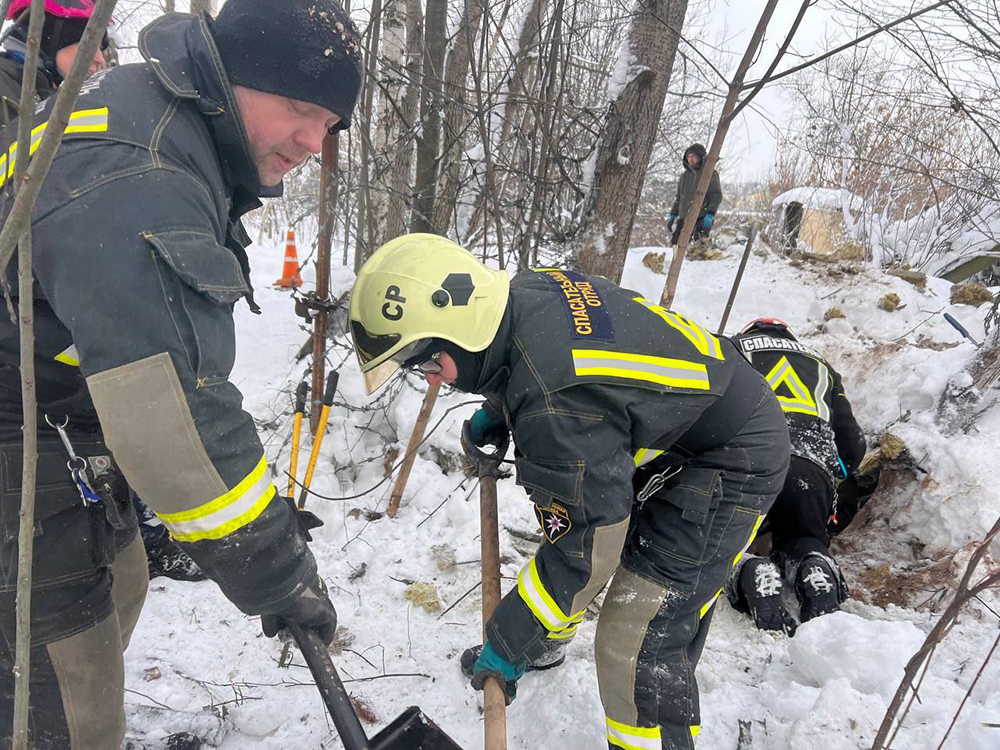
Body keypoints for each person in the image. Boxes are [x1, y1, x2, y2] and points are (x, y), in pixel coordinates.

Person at [0, 0, 362, 747]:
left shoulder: (159, 116)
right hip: (18, 424)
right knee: (71, 698)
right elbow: (171, 426)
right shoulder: (140, 168)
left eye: (328, 125)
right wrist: (279, 575)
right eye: (298, 108)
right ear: (228, 74)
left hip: (60, 406)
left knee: (126, 581)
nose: (310, 143)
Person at [349, 234, 790, 750]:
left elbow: (585, 554)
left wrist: (507, 637)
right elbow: (559, 365)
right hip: (687, 423)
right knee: (578, 519)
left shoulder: (556, 407)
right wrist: (501, 408)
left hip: (732, 457)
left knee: (638, 628)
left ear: (459, 334)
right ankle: (547, 639)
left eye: (428, 364)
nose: (431, 381)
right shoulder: (523, 294)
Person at [725, 319, 866, 636]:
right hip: (811, 468)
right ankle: (814, 567)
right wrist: (833, 474)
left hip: (749, 459)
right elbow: (854, 444)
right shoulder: (821, 365)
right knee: (805, 538)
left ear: (750, 332)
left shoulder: (732, 348)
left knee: (725, 539)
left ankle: (749, 567)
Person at [0, 0, 109, 122]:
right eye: (90, 47)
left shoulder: (41, 89)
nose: (100, 59)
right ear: (47, 42)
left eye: (100, 49)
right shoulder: (4, 85)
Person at [667, 143, 722, 246]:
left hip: (701, 217)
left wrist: (710, 213)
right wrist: (673, 214)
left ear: (701, 157)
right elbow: (679, 198)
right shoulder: (684, 176)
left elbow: (716, 195)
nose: (691, 159)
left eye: (694, 156)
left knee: (698, 248)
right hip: (684, 218)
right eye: (688, 156)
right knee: (676, 245)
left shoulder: (710, 173)